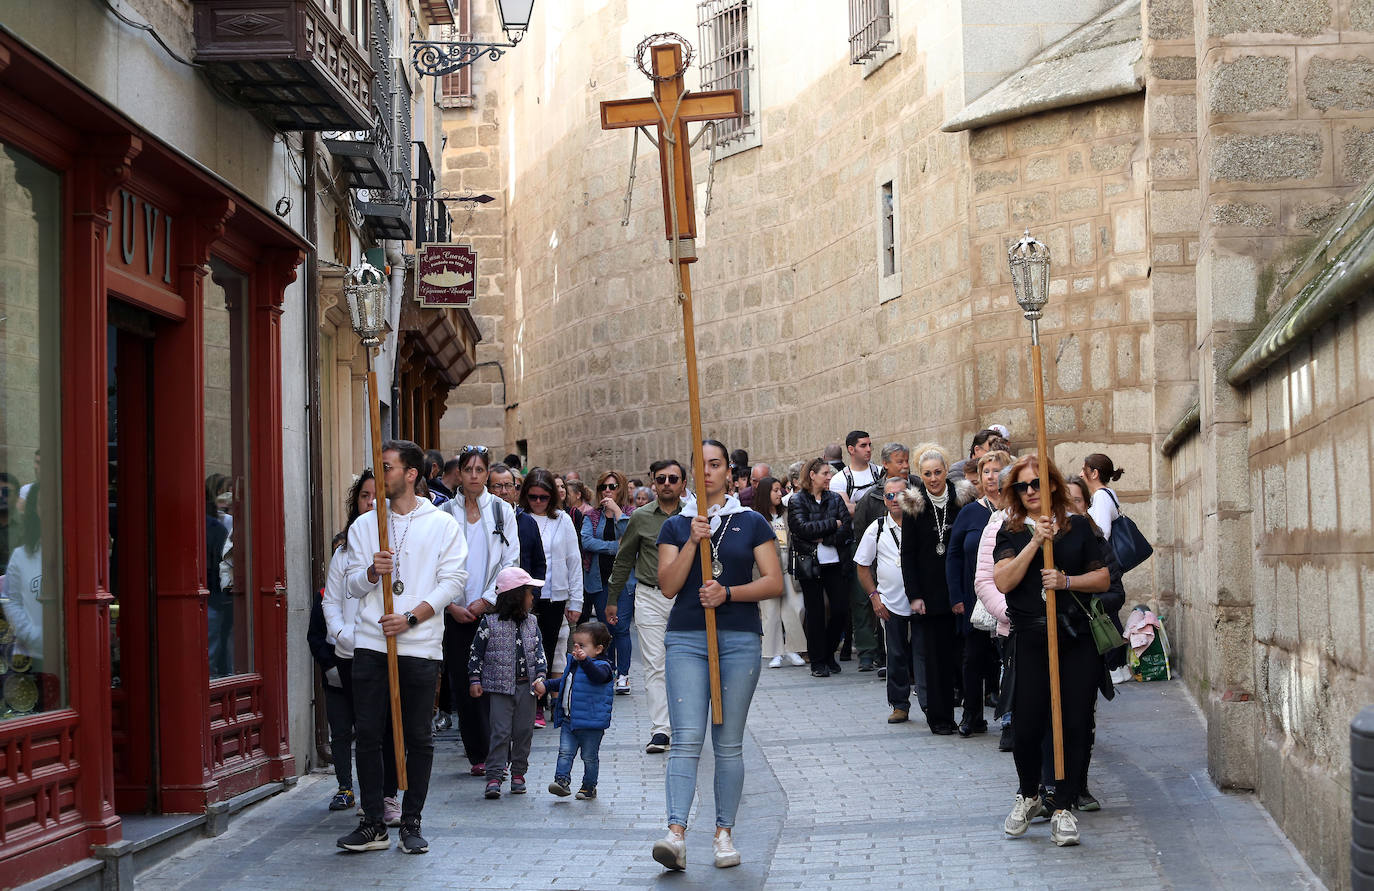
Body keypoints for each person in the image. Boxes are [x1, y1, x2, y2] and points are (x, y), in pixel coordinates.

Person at [652, 439, 783, 871]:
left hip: (739, 638)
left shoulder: (753, 523)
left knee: (728, 743)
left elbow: (773, 583)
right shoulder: (676, 525)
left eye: (716, 464)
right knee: (687, 738)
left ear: (729, 471)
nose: (708, 472)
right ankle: (675, 834)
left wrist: (727, 593)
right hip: (687, 638)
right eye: (701, 465)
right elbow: (668, 585)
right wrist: (693, 541)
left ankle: (724, 833)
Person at [337, 440, 465, 855]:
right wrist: (373, 573)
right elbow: (350, 585)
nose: (380, 474)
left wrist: (411, 617)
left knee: (417, 737)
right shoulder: (364, 526)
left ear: (412, 474)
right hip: (372, 642)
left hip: (420, 644)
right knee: (369, 733)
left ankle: (411, 822)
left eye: (387, 467)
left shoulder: (442, 524)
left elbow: (453, 582)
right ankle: (373, 822)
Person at [995, 454, 1111, 847]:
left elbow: (1103, 578)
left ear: (1053, 487)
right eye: (1022, 486)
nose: (1030, 492)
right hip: (1029, 639)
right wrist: (1034, 541)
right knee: (1027, 726)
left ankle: (1062, 807)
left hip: (1074, 640)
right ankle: (1028, 793)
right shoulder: (1010, 532)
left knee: (1073, 724)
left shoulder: (1078, 527)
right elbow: (1004, 581)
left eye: (1036, 484)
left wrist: (1066, 580)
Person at [319, 471, 398, 815]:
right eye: (365, 497)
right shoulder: (344, 553)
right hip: (352, 651)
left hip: (389, 647)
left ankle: (390, 795)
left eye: (377, 497)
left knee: (389, 727)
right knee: (365, 730)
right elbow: (331, 602)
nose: (371, 504)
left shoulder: (399, 547)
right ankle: (369, 800)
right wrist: (341, 634)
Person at [440, 446, 521, 777]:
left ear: (487, 473)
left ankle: (498, 754)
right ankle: (477, 753)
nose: (473, 475)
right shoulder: (443, 513)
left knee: (496, 684)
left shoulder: (502, 511)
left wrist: (487, 599)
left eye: (479, 469)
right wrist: (451, 604)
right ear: (459, 473)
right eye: (468, 469)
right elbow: (433, 562)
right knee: (464, 684)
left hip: (491, 612)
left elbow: (510, 561)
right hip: (454, 610)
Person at [607, 459, 686, 748]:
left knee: (686, 663)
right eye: (661, 479)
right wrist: (613, 598)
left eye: (673, 479)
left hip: (685, 599)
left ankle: (686, 724)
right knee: (654, 665)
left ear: (683, 484)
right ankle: (661, 729)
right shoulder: (640, 517)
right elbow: (625, 558)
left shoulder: (693, 516)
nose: (666, 483)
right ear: (654, 482)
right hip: (649, 596)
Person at [898, 445, 976, 735]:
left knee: (966, 657)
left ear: (946, 472)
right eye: (927, 473)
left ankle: (972, 716)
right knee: (936, 658)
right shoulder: (914, 505)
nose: (933, 478)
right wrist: (915, 595)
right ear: (921, 475)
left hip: (961, 590)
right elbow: (908, 555)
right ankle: (940, 717)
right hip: (930, 594)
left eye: (938, 472)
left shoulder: (963, 500)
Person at [1062, 473, 1127, 811]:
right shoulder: (1052, 541)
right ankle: (1053, 787)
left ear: (1086, 505)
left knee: (1083, 716)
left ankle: (1080, 785)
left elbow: (1115, 590)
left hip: (1086, 639)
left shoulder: (1099, 542)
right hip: (1054, 638)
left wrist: (1091, 601)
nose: (1071, 508)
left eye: (1077, 501)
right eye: (1066, 501)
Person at [946, 450, 1013, 738]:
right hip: (976, 598)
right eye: (986, 471)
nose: (991, 477)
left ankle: (1011, 717)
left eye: (996, 471)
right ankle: (972, 714)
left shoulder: (1016, 511)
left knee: (1008, 659)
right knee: (973, 658)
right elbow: (954, 555)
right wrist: (956, 596)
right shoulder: (970, 512)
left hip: (1010, 598)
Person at [468, 567, 547, 799]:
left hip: (528, 687)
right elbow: (476, 653)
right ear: (516, 596)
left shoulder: (532, 622)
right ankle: (494, 775)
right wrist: (475, 678)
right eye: (529, 593)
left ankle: (519, 773)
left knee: (524, 732)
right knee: (500, 732)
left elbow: (539, 652)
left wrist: (541, 677)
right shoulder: (489, 623)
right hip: (499, 688)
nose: (532, 598)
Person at [520, 468, 582, 729]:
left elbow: (573, 560)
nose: (537, 502)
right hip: (526, 596)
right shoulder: (519, 519)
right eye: (533, 497)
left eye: (543, 497)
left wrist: (575, 600)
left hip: (554, 595)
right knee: (526, 651)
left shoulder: (562, 520)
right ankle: (531, 704)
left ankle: (544, 701)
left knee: (546, 650)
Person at [855, 477, 915, 723]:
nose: (894, 500)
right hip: (890, 603)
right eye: (889, 496)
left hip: (920, 602)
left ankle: (931, 703)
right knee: (897, 656)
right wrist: (874, 597)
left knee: (923, 656)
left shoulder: (918, 523)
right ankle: (899, 705)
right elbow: (862, 565)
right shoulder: (877, 527)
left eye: (899, 495)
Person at [788, 457, 852, 678]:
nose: (829, 477)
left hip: (835, 562)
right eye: (825, 473)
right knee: (815, 614)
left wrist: (825, 537)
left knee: (841, 610)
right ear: (812, 475)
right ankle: (818, 661)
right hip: (810, 563)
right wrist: (832, 525)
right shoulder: (796, 501)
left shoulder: (835, 498)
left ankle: (827, 653)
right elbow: (801, 528)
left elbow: (847, 528)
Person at [974, 464, 1018, 752]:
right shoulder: (995, 528)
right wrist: (1007, 613)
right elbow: (984, 580)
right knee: (1011, 672)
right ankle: (1010, 723)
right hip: (1011, 622)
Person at [546, 621, 615, 800]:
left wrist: (585, 662)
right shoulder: (575, 664)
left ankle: (589, 786)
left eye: (582, 646)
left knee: (589, 757)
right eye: (575, 645)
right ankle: (561, 781)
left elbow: (597, 677)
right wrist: (545, 686)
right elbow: (563, 683)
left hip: (591, 723)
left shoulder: (603, 667)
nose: (576, 649)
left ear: (598, 649)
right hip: (570, 720)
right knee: (565, 752)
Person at [754, 476, 805, 668]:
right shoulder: (757, 517)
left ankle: (792, 648)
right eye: (775, 490)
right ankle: (774, 652)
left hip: (788, 566)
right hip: (767, 569)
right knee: (770, 611)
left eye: (780, 490)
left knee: (796, 606)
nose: (779, 493)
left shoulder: (786, 514)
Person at [580, 470, 629, 628]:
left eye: (612, 486)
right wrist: (615, 546)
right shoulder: (591, 515)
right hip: (598, 579)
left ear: (621, 488)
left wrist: (616, 510)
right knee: (605, 630)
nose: (607, 490)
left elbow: (630, 540)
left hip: (624, 581)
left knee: (621, 630)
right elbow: (587, 541)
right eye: (603, 487)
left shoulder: (630, 513)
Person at [488, 462, 547, 582]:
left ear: (515, 489)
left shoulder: (528, 522)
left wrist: (532, 594)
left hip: (521, 595)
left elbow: (539, 564)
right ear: (488, 490)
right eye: (498, 486)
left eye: (508, 485)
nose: (504, 491)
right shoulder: (481, 520)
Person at [1081, 453, 1126, 542]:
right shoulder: (1104, 494)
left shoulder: (1101, 496)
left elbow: (1103, 534)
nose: (1080, 474)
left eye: (1083, 470)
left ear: (1094, 473)